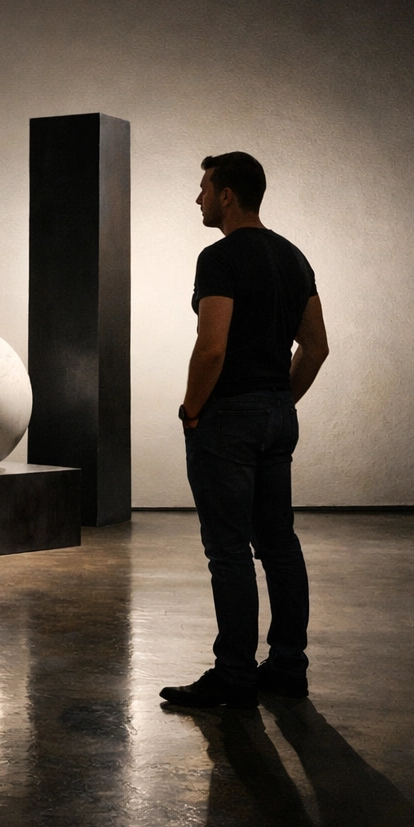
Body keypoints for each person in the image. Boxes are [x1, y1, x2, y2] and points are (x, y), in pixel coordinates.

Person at [160, 151, 330, 709]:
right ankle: (287, 667)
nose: (198, 198)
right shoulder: (293, 257)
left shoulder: (220, 258)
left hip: (226, 419)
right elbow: (316, 345)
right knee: (278, 543)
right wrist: (279, 398)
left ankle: (234, 674)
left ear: (227, 194)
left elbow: (212, 347)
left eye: (204, 187)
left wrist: (191, 409)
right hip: (277, 417)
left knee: (228, 550)